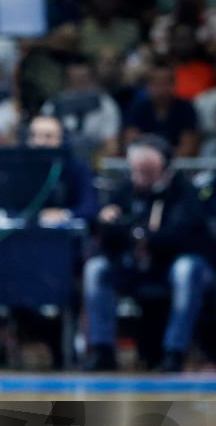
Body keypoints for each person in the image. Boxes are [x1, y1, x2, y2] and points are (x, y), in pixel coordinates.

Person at [83, 136, 213, 373]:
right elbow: (106, 234)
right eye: (137, 170)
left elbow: (184, 236)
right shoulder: (125, 190)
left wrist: (143, 235)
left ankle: (174, 352)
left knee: (187, 269)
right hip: (134, 267)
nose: (140, 176)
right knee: (96, 269)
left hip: (171, 267)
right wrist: (108, 222)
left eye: (148, 170)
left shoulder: (184, 192)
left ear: (163, 168)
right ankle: (101, 349)